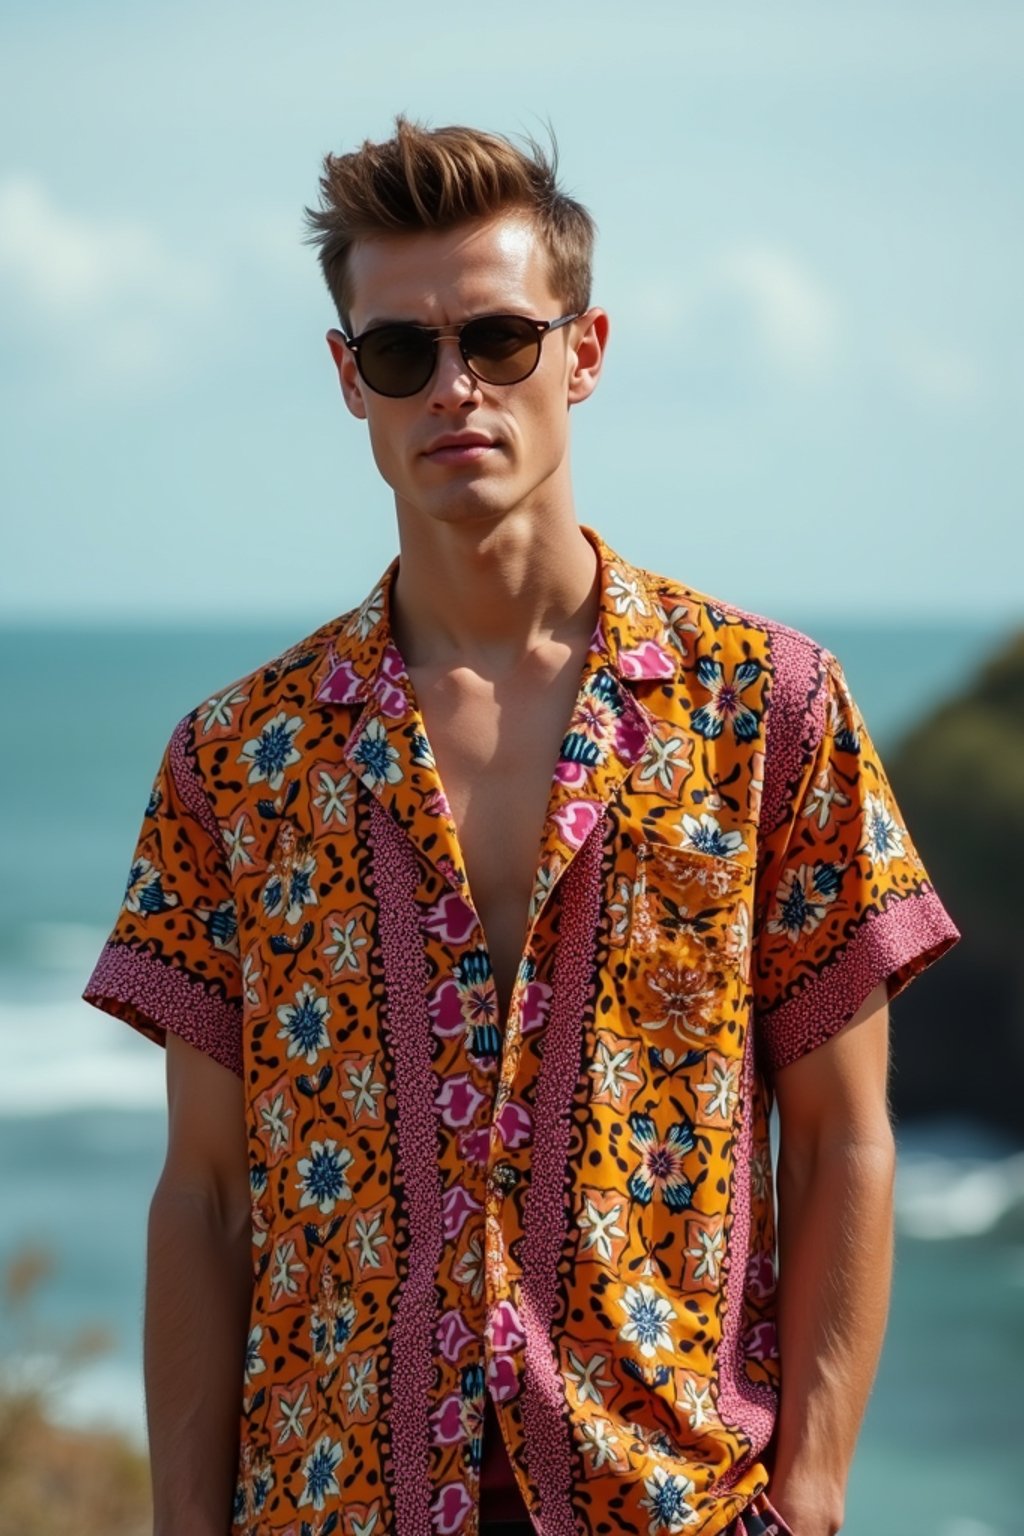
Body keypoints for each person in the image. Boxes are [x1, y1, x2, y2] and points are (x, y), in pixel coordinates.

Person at [84, 117, 960, 1536]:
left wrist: (810, 1494)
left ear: (585, 352)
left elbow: (845, 1135)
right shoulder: (236, 763)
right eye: (400, 353)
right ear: (347, 381)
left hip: (674, 1502)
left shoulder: (767, 712)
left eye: (498, 339)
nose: (455, 389)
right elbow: (200, 1198)